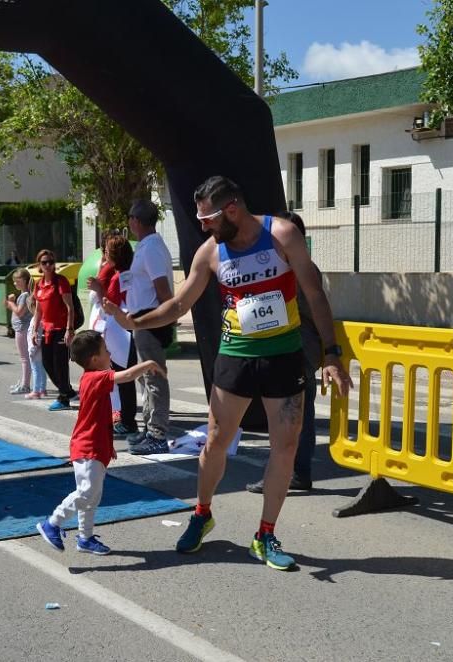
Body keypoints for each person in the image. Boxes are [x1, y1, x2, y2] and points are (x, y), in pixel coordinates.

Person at [103, 176, 352, 571]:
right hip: (235, 356)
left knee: (284, 448)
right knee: (215, 442)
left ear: (232, 209)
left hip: (283, 357)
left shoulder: (281, 234)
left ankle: (265, 534)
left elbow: (314, 291)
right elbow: (180, 303)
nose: (204, 226)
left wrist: (332, 355)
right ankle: (202, 514)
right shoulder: (211, 252)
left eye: (209, 219)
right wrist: (135, 322)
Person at [35, 330, 165, 555]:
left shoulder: (94, 378)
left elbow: (100, 417)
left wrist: (108, 445)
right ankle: (52, 523)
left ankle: (85, 538)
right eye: (106, 350)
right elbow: (124, 377)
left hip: (96, 448)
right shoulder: (95, 378)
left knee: (91, 497)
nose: (110, 352)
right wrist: (148, 364)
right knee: (86, 493)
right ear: (95, 359)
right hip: (87, 448)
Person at [247, 211, 322, 494]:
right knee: (294, 414)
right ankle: (294, 472)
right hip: (294, 346)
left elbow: (304, 308)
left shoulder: (297, 268)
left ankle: (291, 474)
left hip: (295, 347)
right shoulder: (296, 266)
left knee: (290, 415)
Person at [120, 199, 175, 455]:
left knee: (154, 378)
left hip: (150, 319)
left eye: (130, 217)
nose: (128, 222)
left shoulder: (152, 248)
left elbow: (162, 289)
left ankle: (158, 434)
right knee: (145, 377)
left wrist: (165, 322)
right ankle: (148, 428)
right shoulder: (146, 246)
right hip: (141, 320)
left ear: (136, 221)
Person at [87, 235, 138, 437]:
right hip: (125, 332)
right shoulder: (125, 272)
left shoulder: (118, 277)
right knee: (125, 378)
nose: (104, 254)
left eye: (107, 251)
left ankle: (127, 421)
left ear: (115, 255)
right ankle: (126, 419)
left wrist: (100, 290)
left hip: (120, 334)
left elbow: (110, 308)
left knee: (123, 378)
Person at [29, 249, 76, 411]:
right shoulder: (39, 284)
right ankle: (67, 390)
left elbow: (70, 308)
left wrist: (69, 330)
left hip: (61, 329)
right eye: (44, 262)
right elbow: (38, 311)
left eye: (50, 262)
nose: (48, 265)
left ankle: (64, 398)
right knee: (47, 363)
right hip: (47, 330)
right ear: (39, 266)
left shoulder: (61, 281)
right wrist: (35, 330)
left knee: (60, 364)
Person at [5, 268, 34, 394]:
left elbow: (20, 312)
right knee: (25, 358)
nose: (16, 283)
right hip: (22, 328)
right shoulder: (24, 294)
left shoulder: (25, 295)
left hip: (23, 328)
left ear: (26, 281)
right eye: (15, 281)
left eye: (18, 281)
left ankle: (25, 385)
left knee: (24, 358)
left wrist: (11, 303)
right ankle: (23, 382)